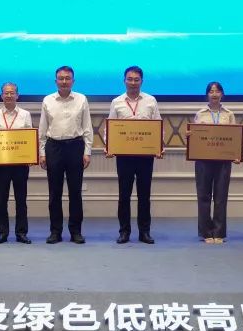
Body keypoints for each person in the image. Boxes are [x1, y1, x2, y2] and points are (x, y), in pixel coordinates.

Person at [106, 65, 162, 244]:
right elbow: (110, 127)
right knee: (124, 195)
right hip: (124, 156)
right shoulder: (117, 102)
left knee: (144, 196)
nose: (133, 83)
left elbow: (158, 126)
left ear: (141, 81)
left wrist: (158, 146)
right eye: (129, 79)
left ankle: (144, 232)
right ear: (124, 81)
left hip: (145, 156)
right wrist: (109, 146)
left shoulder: (151, 100)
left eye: (136, 80)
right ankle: (124, 232)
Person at [38, 65, 93, 244]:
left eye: (67, 78)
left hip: (75, 147)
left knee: (75, 192)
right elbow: (43, 129)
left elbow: (87, 128)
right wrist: (42, 153)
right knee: (54, 193)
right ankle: (55, 231)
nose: (64, 81)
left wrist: (87, 151)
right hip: (53, 148)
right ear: (55, 81)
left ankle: (76, 231)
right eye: (61, 78)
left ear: (73, 81)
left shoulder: (82, 99)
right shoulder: (47, 100)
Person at [187, 81, 241, 244]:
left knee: (221, 197)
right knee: (203, 196)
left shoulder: (229, 114)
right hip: (203, 161)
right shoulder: (200, 114)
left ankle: (218, 232)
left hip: (223, 161)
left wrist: (236, 154)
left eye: (217, 91)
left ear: (222, 94)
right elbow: (196, 137)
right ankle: (206, 233)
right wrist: (190, 136)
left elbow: (234, 137)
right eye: (211, 91)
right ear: (207, 95)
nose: (214, 94)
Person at [0, 82, 33, 244]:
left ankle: (21, 232)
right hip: (1, 165)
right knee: (1, 200)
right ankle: (2, 232)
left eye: (12, 92)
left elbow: (29, 137)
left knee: (21, 200)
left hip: (20, 164)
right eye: (6, 93)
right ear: (1, 96)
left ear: (17, 95)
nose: (9, 95)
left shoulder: (25, 115)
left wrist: (30, 156)